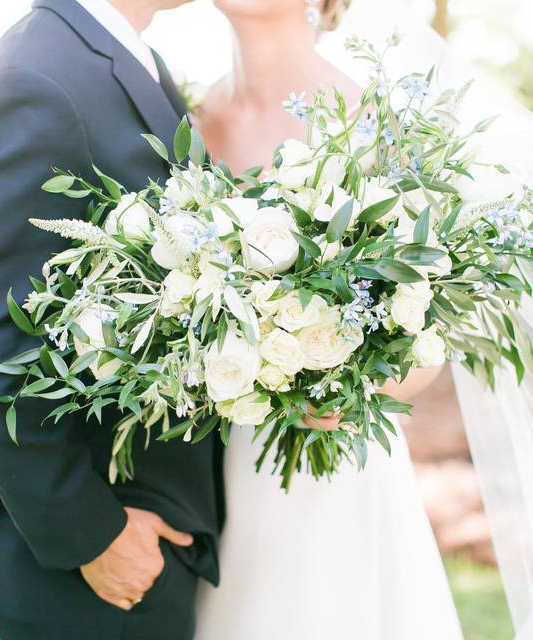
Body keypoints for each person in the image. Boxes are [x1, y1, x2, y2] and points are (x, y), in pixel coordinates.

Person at [0, 1, 223, 638]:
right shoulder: (32, 78)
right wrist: (95, 537)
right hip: (90, 561)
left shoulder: (128, 56)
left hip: (149, 529)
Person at [191, 1, 464, 638]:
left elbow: (431, 333)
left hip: (336, 461)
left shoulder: (374, 117)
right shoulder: (186, 122)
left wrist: (347, 390)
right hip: (211, 461)